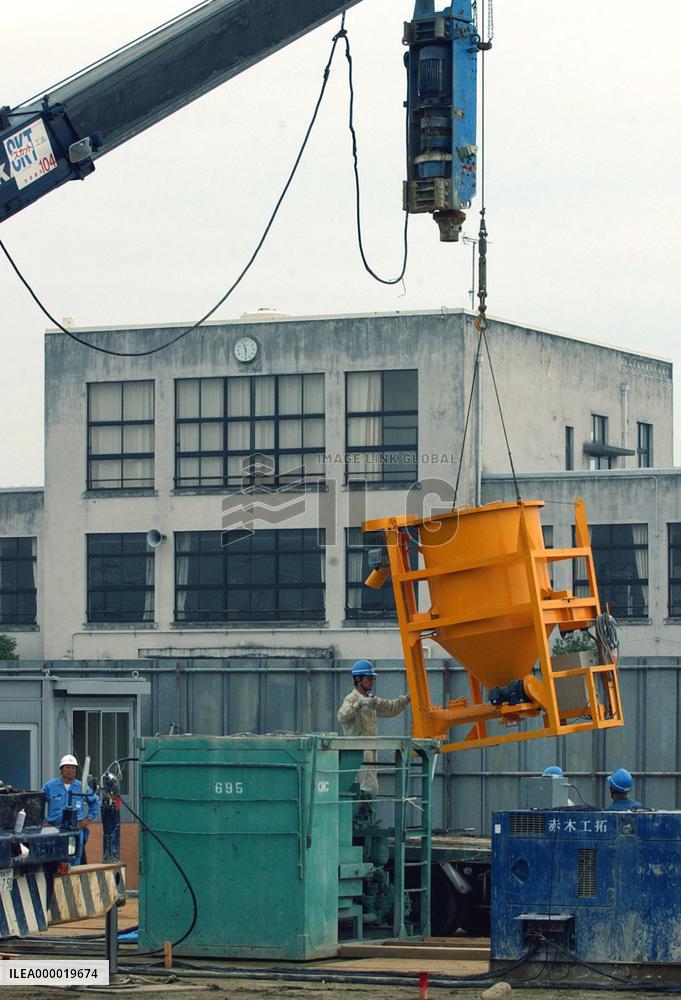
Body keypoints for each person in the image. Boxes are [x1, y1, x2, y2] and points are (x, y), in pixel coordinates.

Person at [337, 660, 410, 796]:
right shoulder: (351, 699)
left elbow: (391, 708)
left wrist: (407, 699)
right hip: (357, 752)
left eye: (373, 678)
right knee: (365, 789)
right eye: (369, 678)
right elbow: (341, 716)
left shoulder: (371, 700)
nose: (372, 681)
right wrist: (358, 705)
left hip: (370, 751)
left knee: (369, 789)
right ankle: (361, 814)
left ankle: (365, 814)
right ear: (358, 679)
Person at [42, 754, 100, 865]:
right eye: (67, 767)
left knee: (74, 858)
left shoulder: (81, 787)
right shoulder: (50, 786)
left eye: (73, 768)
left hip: (75, 830)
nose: (71, 770)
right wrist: (43, 822)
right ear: (61, 770)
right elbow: (37, 804)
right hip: (54, 829)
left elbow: (95, 801)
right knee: (53, 859)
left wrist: (88, 819)